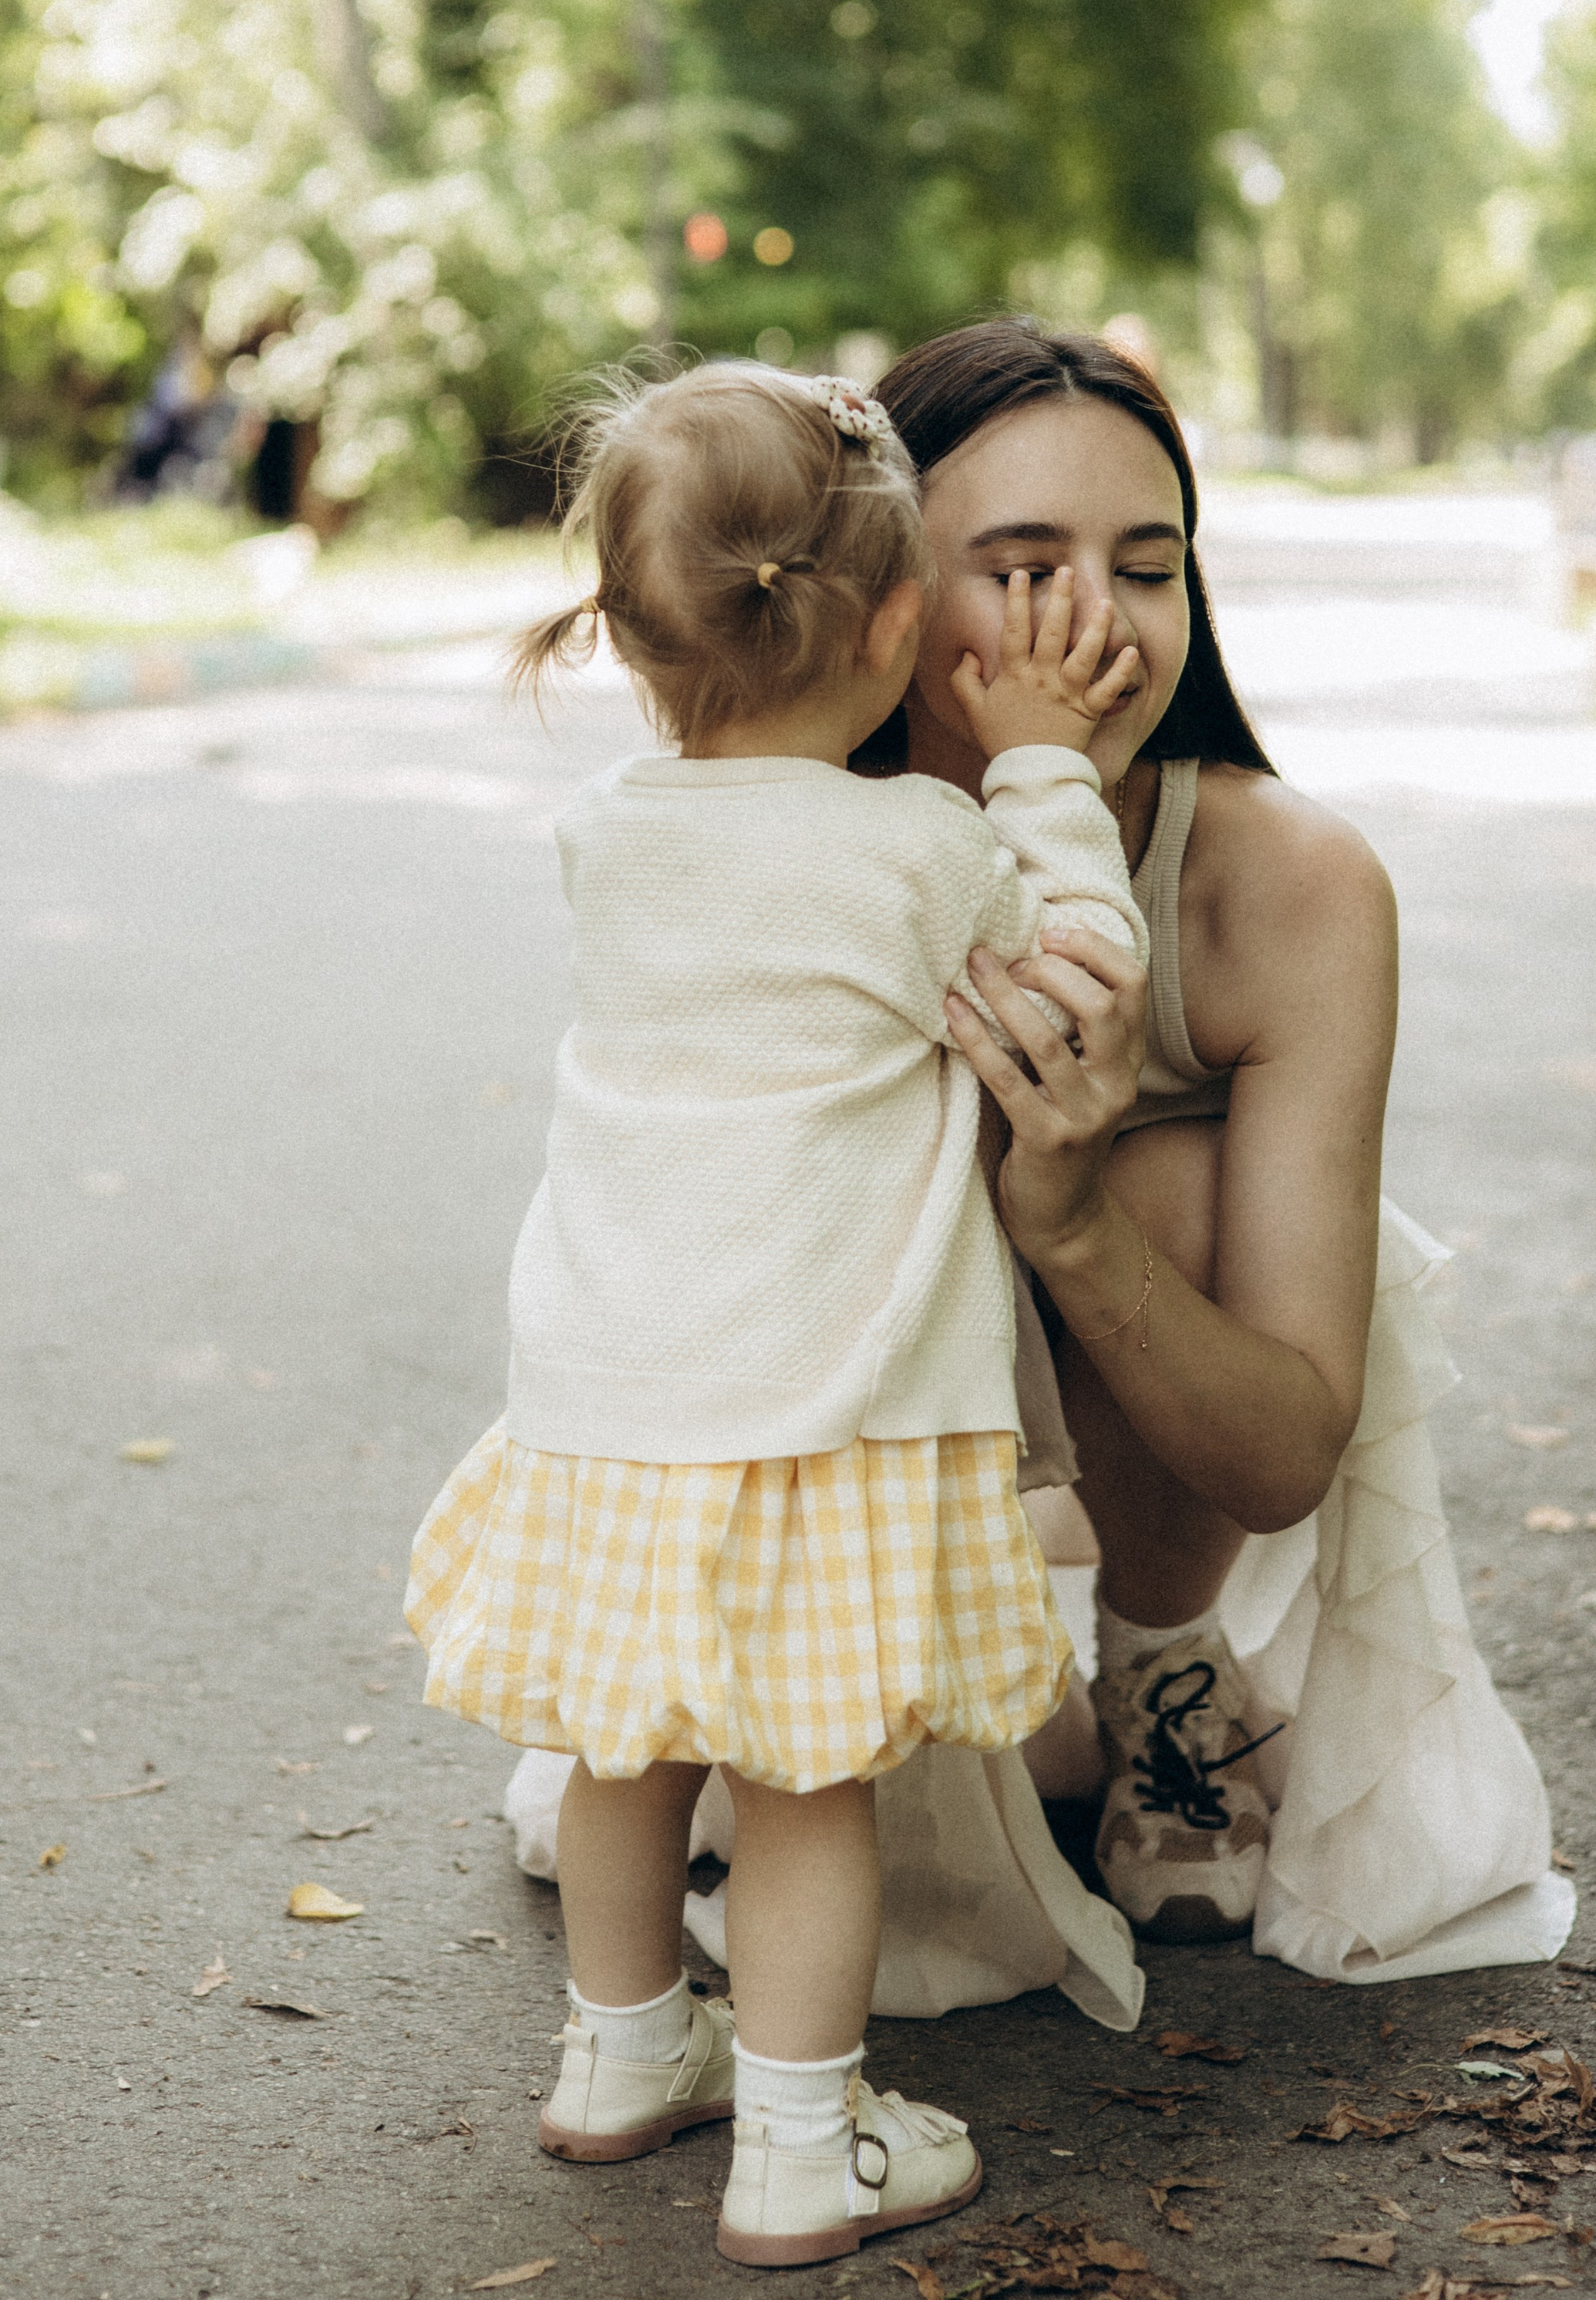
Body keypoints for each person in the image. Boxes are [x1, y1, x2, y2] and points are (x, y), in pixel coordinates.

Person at [405, 359, 1150, 2268]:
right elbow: (1078, 976)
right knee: (803, 1783)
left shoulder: (607, 838)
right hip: (817, 1413)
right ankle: (808, 2146)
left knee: (622, 1750)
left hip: (604, 1397)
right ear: (901, 623)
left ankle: (619, 2055)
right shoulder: (914, 853)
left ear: (635, 639)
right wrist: (1046, 771)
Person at [820, 319, 1568, 2000]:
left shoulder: (1285, 885)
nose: (1093, 626)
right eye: (1018, 570)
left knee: (1159, 1179)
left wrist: (1072, 1217)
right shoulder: (793, 847)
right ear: (879, 588)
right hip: (834, 1403)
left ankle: (1159, 1662)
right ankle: (869, 1687)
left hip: (1165, 1388)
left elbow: (1285, 1446)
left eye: (1144, 567)